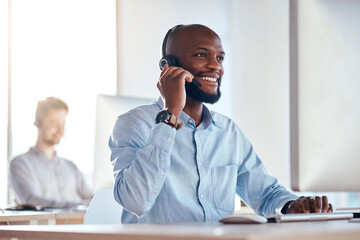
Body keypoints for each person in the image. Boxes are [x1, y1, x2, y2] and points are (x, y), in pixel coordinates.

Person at [109, 24, 333, 223]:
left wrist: (293, 205)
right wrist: (170, 114)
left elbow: (265, 194)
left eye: (220, 58)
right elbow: (135, 201)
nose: (215, 66)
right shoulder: (134, 124)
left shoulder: (227, 132)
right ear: (168, 66)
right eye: (201, 55)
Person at [9, 97, 93, 208]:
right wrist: (77, 206)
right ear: (38, 122)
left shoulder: (70, 166)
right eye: (55, 123)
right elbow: (30, 200)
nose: (61, 130)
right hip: (42, 225)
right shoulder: (20, 163)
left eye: (63, 124)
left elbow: (92, 199)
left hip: (77, 224)